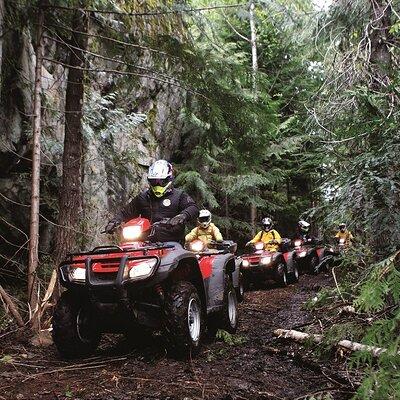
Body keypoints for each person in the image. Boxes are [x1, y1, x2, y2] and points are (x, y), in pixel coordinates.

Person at [104, 160, 199, 243]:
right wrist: (114, 222)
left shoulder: (179, 195)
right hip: (143, 241)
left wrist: (182, 216)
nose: (158, 184)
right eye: (154, 181)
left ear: (169, 179)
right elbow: (125, 213)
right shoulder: (143, 197)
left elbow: (193, 208)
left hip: (172, 242)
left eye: (161, 181)